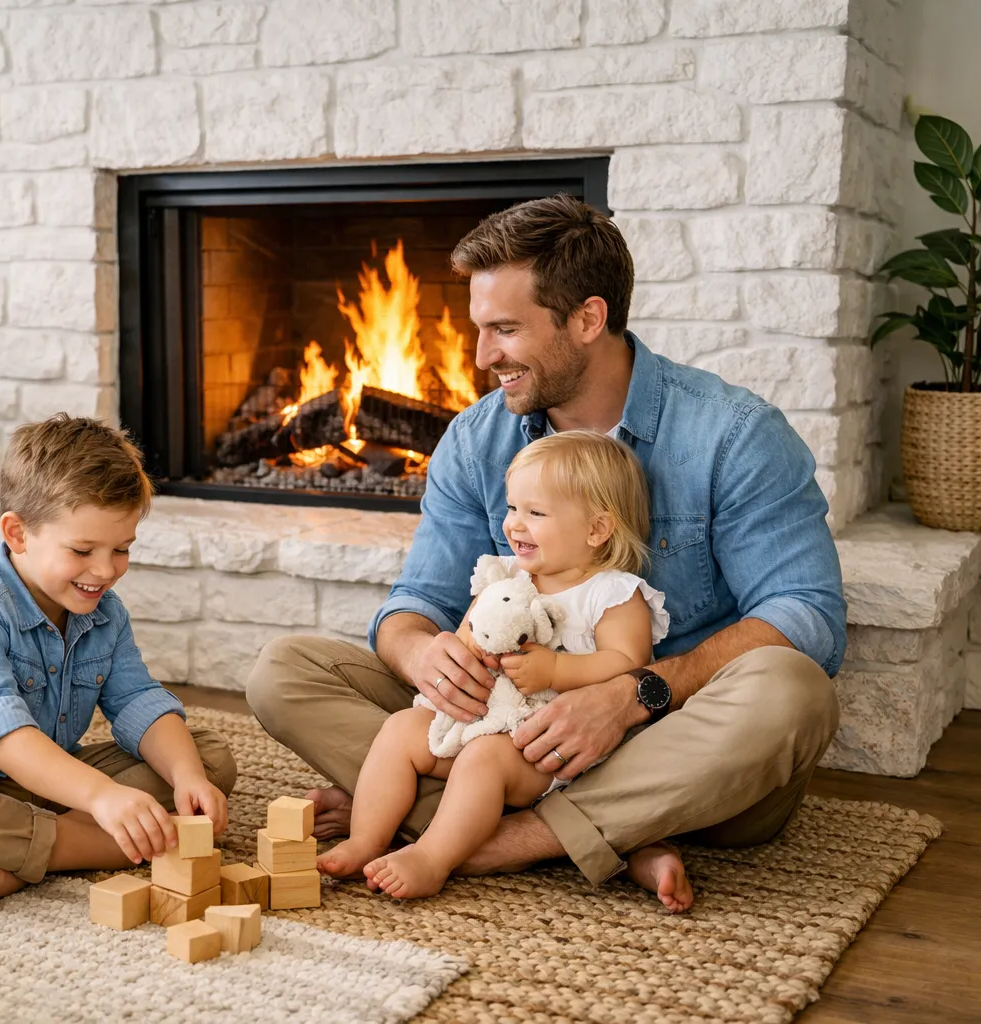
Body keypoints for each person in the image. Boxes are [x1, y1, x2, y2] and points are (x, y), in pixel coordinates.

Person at [246, 195, 845, 908]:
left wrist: (631, 696)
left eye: (504, 329)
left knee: (792, 688)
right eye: (477, 329)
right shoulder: (475, 439)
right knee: (284, 672)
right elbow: (416, 603)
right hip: (515, 732)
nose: (479, 356)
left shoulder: (734, 434)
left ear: (588, 319)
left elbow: (808, 616)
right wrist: (422, 657)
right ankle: (612, 835)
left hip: (675, 741)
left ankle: (494, 839)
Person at [0, 415, 236, 909]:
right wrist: (103, 798)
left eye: (122, 549)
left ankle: (29, 859)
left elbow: (137, 699)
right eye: (83, 550)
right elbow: (3, 738)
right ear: (18, 533)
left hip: (53, 785)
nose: (105, 571)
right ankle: (109, 843)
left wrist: (187, 777)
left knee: (206, 758)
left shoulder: (104, 614)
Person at [319, 432, 676, 904]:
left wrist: (554, 672)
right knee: (402, 729)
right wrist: (466, 649)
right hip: (485, 718)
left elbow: (627, 664)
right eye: (512, 509)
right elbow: (473, 635)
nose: (514, 525)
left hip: (549, 748)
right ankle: (367, 838)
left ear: (597, 529)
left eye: (536, 513)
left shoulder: (611, 593)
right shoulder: (506, 576)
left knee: (483, 760)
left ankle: (433, 856)